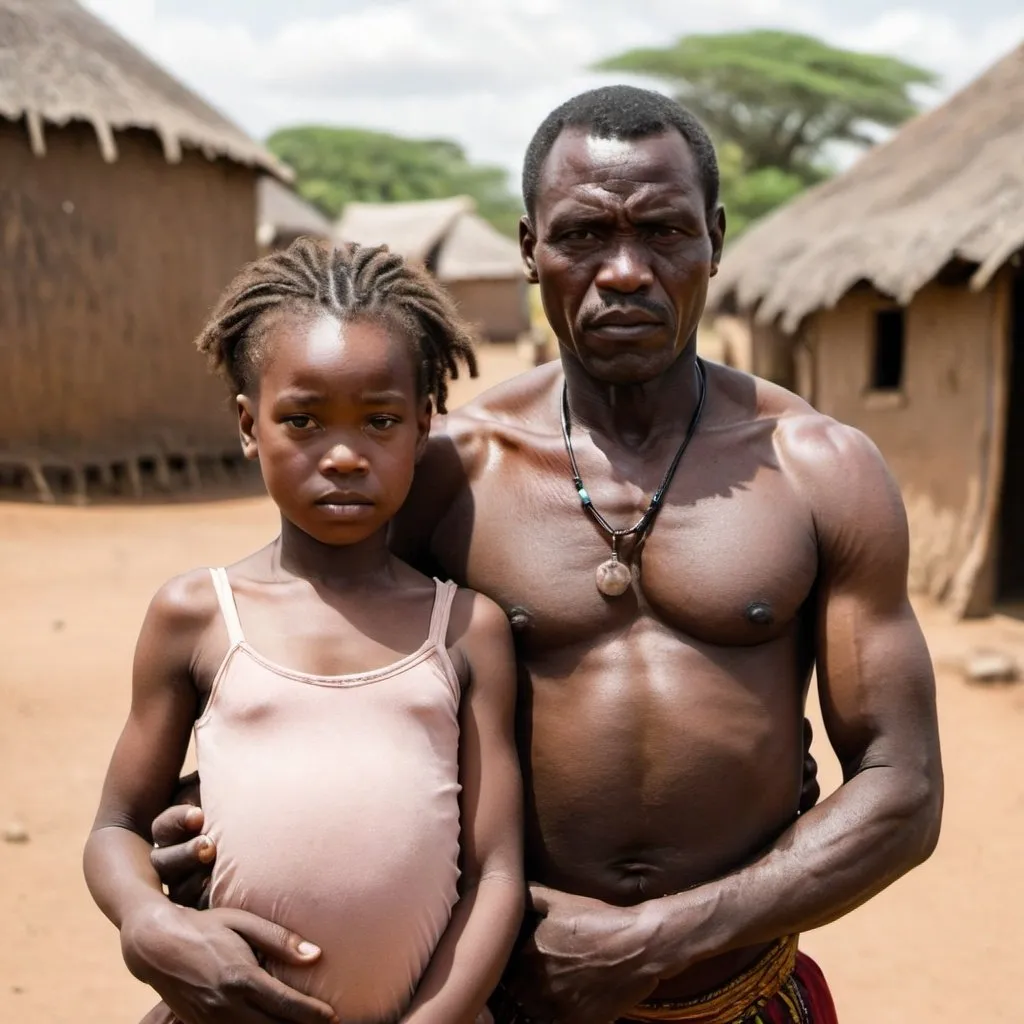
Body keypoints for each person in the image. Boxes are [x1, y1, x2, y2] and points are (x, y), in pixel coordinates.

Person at [133, 86, 943, 1024]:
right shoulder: (448, 477)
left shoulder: (821, 470)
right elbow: (306, 679)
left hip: (738, 994)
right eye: (585, 235)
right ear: (529, 250)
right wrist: (206, 830)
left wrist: (657, 939)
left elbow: (902, 788)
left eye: (666, 233)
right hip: (502, 999)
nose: (627, 270)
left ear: (715, 239)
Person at [82, 239, 525, 1024]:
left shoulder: (462, 630)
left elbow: (495, 873)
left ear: (424, 425)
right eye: (304, 420)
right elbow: (116, 827)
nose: (346, 455)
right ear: (250, 425)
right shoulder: (197, 616)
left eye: (380, 420)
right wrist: (151, 922)